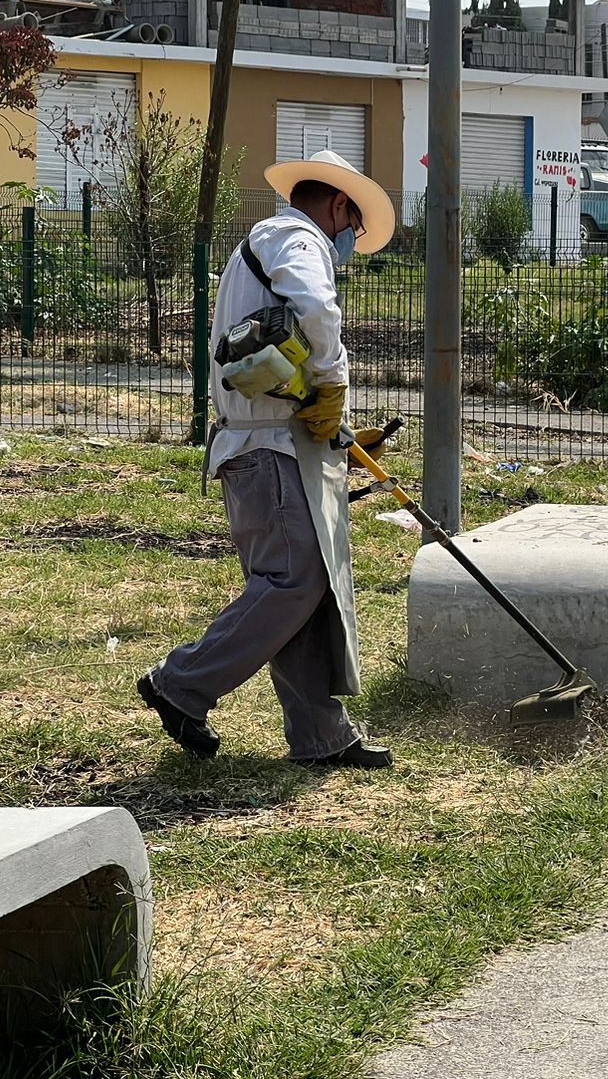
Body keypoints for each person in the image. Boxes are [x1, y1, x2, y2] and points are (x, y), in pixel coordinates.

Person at [139, 150, 396, 769]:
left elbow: (286, 354)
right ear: (338, 206)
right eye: (353, 228)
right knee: (294, 580)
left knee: (307, 588)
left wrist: (335, 424)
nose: (349, 242)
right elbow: (316, 309)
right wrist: (332, 383)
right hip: (267, 448)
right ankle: (181, 683)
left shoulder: (271, 247)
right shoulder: (293, 235)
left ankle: (320, 736)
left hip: (276, 444)